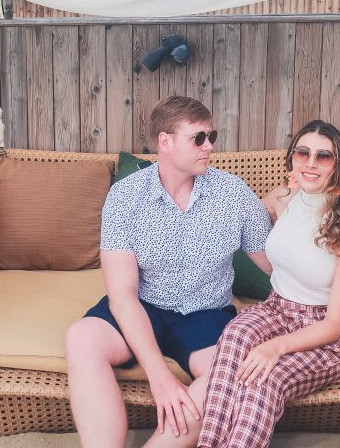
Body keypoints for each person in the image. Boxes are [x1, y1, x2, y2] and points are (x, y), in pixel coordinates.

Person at [65, 96, 272, 448]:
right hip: (143, 305)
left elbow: (275, 265)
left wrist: (328, 306)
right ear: (165, 142)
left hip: (207, 312)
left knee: (234, 376)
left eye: (212, 136)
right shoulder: (125, 197)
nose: (209, 147)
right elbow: (122, 297)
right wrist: (159, 377)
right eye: (198, 138)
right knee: (81, 338)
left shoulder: (235, 195)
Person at [197, 119, 340, 448]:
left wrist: (274, 346)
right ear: (292, 157)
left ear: (338, 165)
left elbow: (334, 324)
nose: (310, 163)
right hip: (276, 307)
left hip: (322, 327)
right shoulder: (285, 197)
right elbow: (249, 221)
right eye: (302, 152)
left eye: (323, 157)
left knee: (265, 380)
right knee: (233, 337)